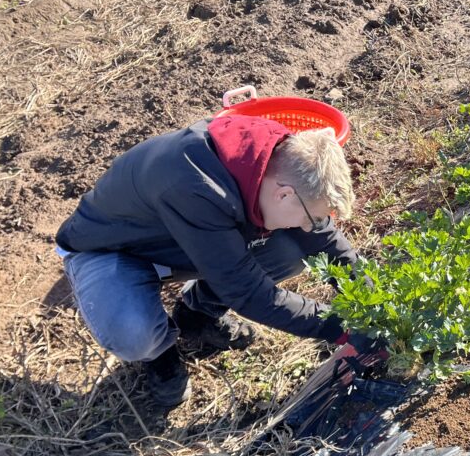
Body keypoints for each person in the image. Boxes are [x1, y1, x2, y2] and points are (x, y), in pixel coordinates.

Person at [56, 115, 376, 409]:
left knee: (293, 248)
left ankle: (197, 315)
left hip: (185, 240)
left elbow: (326, 242)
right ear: (283, 195)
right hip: (113, 250)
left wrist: (374, 302)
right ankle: (161, 354)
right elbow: (250, 294)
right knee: (134, 332)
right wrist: (342, 327)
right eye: (310, 216)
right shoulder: (195, 186)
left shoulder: (281, 159)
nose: (310, 225)